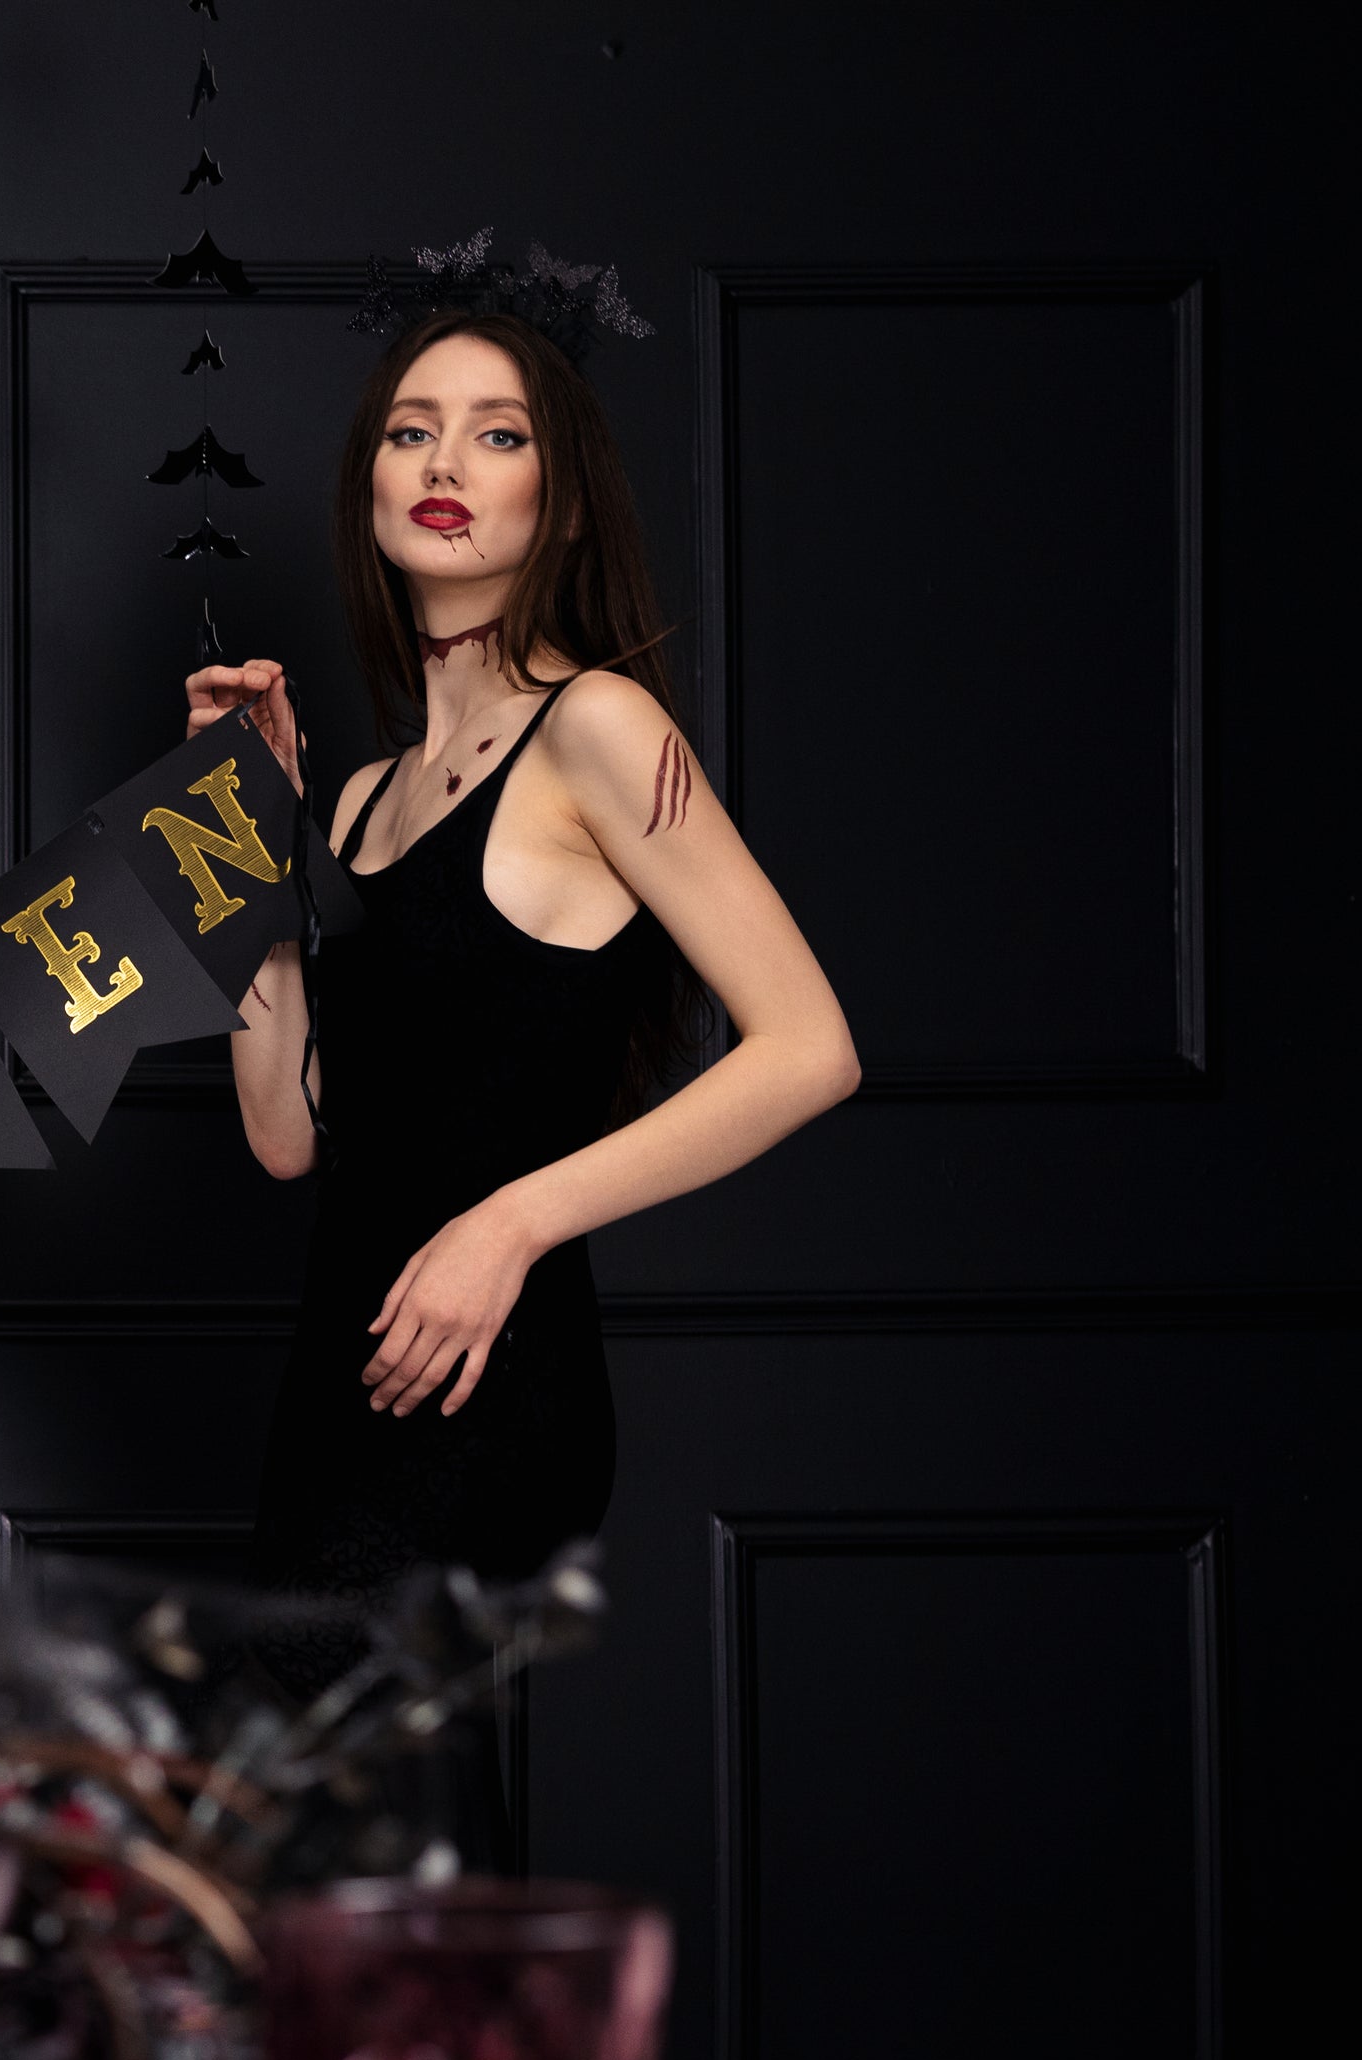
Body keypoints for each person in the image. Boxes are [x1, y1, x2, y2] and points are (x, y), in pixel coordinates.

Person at [185, 307, 858, 1778]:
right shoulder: (363, 797)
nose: (447, 460)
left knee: (343, 1813)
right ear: (370, 482)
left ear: (557, 503)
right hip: (345, 1371)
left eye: (499, 435)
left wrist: (513, 1225)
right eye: (412, 430)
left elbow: (810, 1045)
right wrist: (244, 831)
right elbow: (286, 1136)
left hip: (491, 1377)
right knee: (351, 1843)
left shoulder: (599, 732)